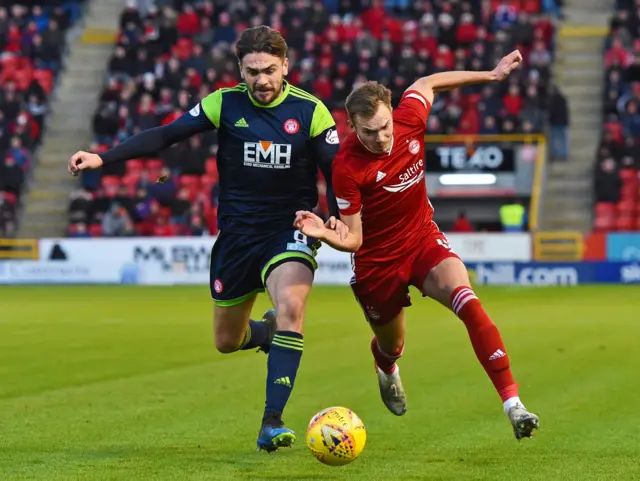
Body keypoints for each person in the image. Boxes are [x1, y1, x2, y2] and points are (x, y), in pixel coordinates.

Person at [67, 26, 347, 452]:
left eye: (270, 70)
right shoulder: (224, 102)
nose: (262, 80)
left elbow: (335, 172)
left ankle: (272, 421)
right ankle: (265, 336)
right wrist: (102, 157)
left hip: (289, 229)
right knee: (226, 341)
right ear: (241, 69)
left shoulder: (313, 113)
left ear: (286, 66)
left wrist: (337, 219)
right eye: (252, 71)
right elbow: (166, 135)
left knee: (291, 305)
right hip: (236, 237)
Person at [294, 50, 540, 440]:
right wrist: (325, 233)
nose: (381, 138)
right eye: (369, 132)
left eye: (385, 127)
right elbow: (354, 238)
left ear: (393, 112)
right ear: (352, 127)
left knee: (468, 301)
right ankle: (386, 365)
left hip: (423, 239)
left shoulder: (409, 118)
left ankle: (513, 405)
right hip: (377, 262)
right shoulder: (347, 167)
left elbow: (427, 83)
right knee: (392, 345)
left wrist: (491, 75)